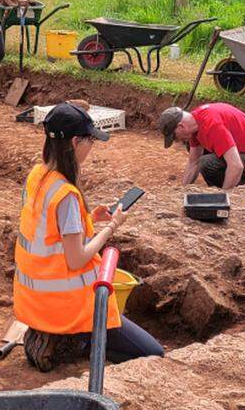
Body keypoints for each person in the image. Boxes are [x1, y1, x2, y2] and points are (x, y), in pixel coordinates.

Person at [15, 102, 164, 372]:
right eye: (90, 142)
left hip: (36, 302)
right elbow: (76, 259)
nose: (91, 148)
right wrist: (112, 227)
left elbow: (48, 232)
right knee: (153, 353)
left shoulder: (38, 176)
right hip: (69, 306)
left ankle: (62, 336)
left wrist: (90, 218)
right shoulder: (66, 195)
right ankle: (74, 341)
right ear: (74, 142)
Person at [158, 103, 245, 189]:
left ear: (181, 126)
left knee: (207, 163)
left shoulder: (212, 125)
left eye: (175, 137)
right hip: (243, 154)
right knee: (198, 155)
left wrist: (223, 198)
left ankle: (244, 192)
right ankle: (240, 186)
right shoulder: (195, 123)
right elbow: (193, 162)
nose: (177, 140)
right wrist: (183, 191)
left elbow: (236, 166)